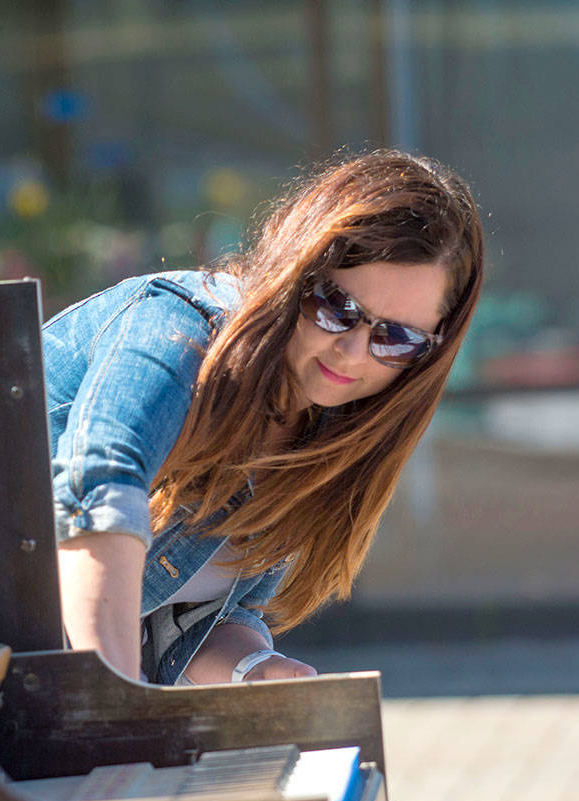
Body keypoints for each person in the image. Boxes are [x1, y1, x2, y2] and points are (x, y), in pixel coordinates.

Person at [43, 150, 484, 685]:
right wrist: (112, 703)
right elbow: (101, 484)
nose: (352, 351)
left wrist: (258, 669)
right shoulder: (180, 326)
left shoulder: (322, 430)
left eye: (396, 338)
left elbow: (187, 622)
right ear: (295, 274)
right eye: (338, 308)